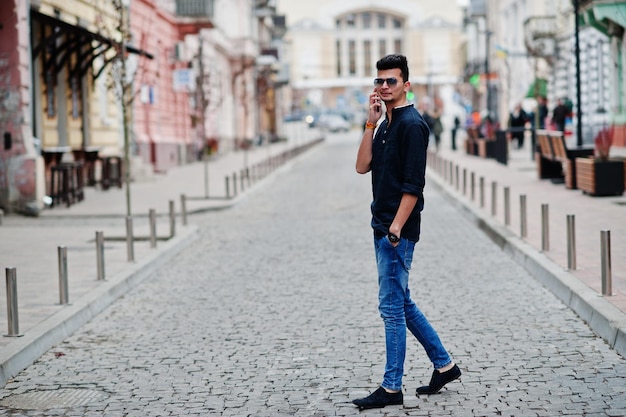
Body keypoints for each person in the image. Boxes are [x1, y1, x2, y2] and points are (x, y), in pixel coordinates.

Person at [353, 54, 461, 410]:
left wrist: (396, 228)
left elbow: (414, 184)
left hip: (395, 230)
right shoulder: (385, 122)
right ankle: (444, 365)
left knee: (391, 308)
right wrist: (370, 124)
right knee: (403, 302)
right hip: (381, 224)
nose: (383, 87)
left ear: (405, 85)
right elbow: (361, 166)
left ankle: (391, 387)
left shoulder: (412, 125)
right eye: (379, 81)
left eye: (391, 81)